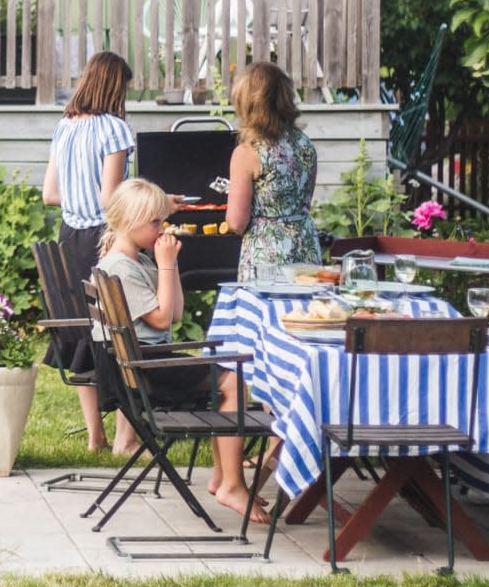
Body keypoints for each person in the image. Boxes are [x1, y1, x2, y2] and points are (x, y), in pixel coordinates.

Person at [96, 178, 269, 523]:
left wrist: (168, 265)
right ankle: (232, 483)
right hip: (144, 367)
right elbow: (161, 320)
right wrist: (165, 264)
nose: (162, 229)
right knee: (232, 383)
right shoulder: (121, 267)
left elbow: (173, 314)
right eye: (155, 222)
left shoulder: (137, 261)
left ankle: (223, 477)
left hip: (145, 359)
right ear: (130, 221)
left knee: (225, 381)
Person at [42, 51, 136, 453]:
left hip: (70, 236)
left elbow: (49, 194)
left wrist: (75, 203)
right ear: (117, 87)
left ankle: (94, 436)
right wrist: (153, 202)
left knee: (84, 332)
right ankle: (124, 442)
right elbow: (110, 197)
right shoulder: (115, 129)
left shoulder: (64, 127)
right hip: (105, 238)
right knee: (122, 332)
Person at [226, 61, 321, 277]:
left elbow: (236, 222)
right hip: (306, 247)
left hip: (268, 256)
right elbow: (303, 200)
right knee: (305, 311)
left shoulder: (247, 152)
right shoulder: (305, 144)